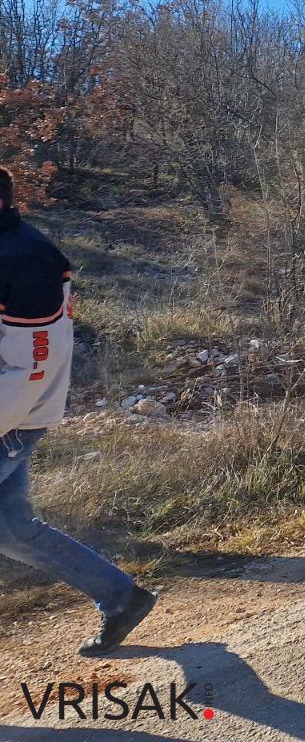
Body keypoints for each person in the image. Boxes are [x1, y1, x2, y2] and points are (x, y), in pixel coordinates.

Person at [0, 167, 158, 657]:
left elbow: (32, 367)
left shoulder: (26, 259)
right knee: (12, 530)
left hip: (12, 419)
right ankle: (122, 598)